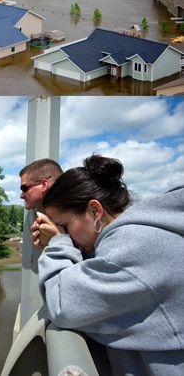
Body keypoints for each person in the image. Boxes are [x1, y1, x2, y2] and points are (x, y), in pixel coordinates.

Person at [36, 155, 184, 376]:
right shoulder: (147, 230)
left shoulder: (128, 248)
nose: (66, 234)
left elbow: (62, 303)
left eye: (65, 225)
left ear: (95, 211)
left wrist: (58, 243)